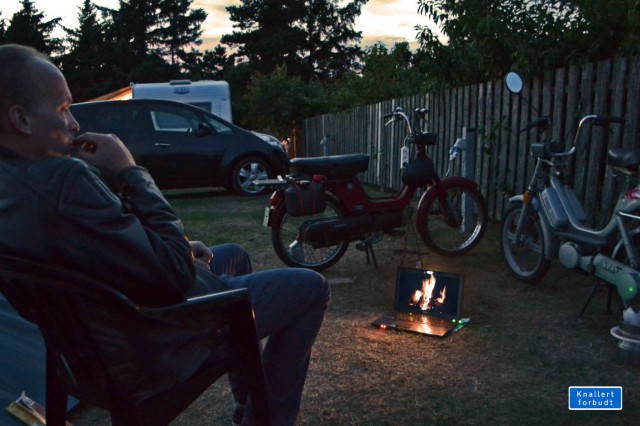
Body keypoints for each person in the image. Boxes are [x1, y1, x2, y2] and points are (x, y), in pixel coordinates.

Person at [0, 44, 330, 426]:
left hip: (90, 343)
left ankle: (246, 405)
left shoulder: (15, 188)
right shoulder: (64, 180)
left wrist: (177, 251)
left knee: (234, 254)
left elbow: (86, 261)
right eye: (63, 109)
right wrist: (129, 171)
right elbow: (173, 273)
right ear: (21, 119)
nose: (74, 123)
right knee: (310, 288)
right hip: (151, 341)